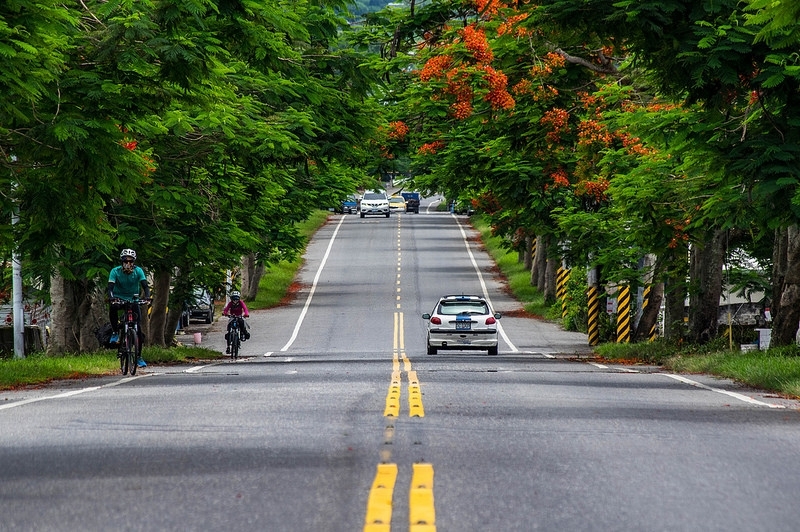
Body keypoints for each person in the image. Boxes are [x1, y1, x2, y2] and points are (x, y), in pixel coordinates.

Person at [108, 248, 151, 367]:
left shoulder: (138, 271)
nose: (128, 264)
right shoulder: (115, 271)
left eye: (131, 261)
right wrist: (112, 298)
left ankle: (138, 356)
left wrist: (147, 297)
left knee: (138, 330)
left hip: (133, 299)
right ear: (122, 262)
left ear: (134, 262)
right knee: (113, 308)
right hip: (118, 297)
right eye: (125, 261)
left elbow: (145, 286)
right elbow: (110, 288)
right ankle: (115, 331)